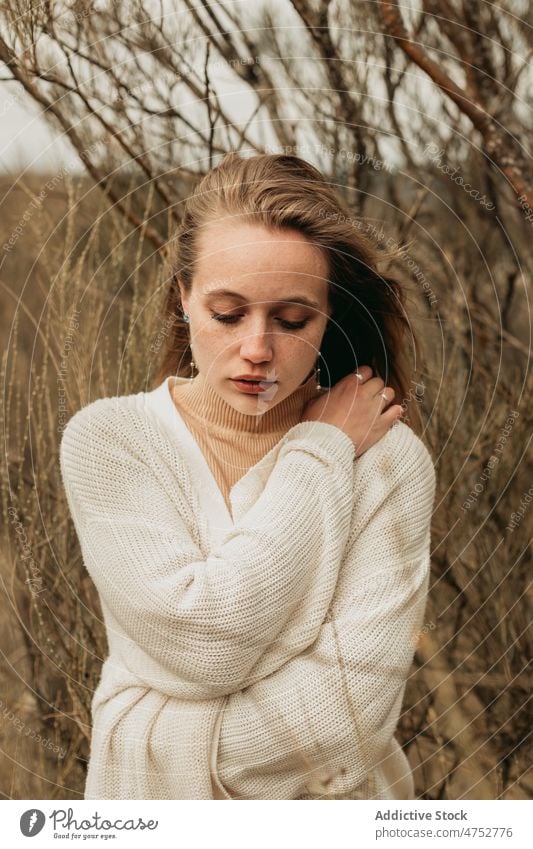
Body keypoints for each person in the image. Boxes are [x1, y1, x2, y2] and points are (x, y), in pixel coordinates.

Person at [59, 152, 436, 800]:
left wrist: (164, 727)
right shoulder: (111, 441)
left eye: (292, 320)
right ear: (183, 296)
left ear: (328, 313)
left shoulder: (387, 462)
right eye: (227, 313)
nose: (257, 348)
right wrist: (321, 448)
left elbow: (339, 720)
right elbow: (202, 640)